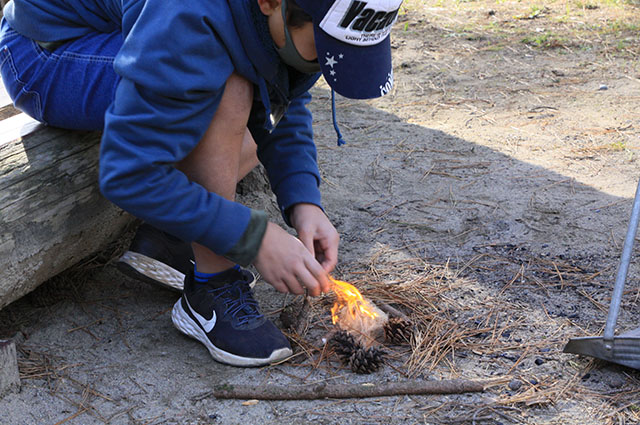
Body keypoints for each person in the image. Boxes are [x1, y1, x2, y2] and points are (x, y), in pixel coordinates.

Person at [0, 0, 403, 366]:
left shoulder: (288, 18)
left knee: (230, 78)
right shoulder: (188, 15)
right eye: (324, 51)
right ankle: (212, 282)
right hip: (45, 50)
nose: (324, 66)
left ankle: (179, 228)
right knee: (227, 84)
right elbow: (128, 174)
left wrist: (304, 201)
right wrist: (253, 237)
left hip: (142, 31)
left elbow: (283, 86)